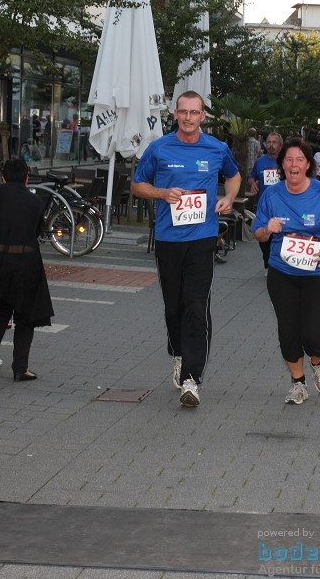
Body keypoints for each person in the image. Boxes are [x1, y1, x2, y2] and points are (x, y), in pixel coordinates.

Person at [132, 90, 241, 408]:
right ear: (175, 114)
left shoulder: (217, 148)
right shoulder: (159, 148)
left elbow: (233, 178)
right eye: (183, 112)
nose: (189, 118)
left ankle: (192, 379)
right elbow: (137, 185)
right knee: (173, 308)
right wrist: (162, 192)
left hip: (202, 239)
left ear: (203, 116)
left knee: (196, 306)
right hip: (168, 239)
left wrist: (228, 198)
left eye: (195, 113)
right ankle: (178, 353)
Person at [251, 137, 320, 405]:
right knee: (288, 330)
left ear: (308, 164)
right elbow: (258, 235)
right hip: (281, 272)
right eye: (288, 159)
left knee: (313, 333)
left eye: (299, 160)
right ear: (281, 165)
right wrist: (267, 229)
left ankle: (318, 362)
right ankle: (298, 384)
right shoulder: (271, 194)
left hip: (316, 274)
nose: (293, 164)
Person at [0, 159, 54, 382]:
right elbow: (37, 231)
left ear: (3, 178)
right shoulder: (35, 201)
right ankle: (20, 368)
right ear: (26, 178)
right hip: (26, 262)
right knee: (25, 318)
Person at [249, 132, 283, 269]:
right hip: (265, 206)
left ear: (280, 145)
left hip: (282, 205)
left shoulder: (285, 161)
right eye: (269, 142)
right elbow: (251, 177)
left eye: (274, 142)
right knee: (262, 236)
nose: (271, 145)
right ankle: (267, 262)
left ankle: (277, 263)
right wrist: (253, 183)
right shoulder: (260, 162)